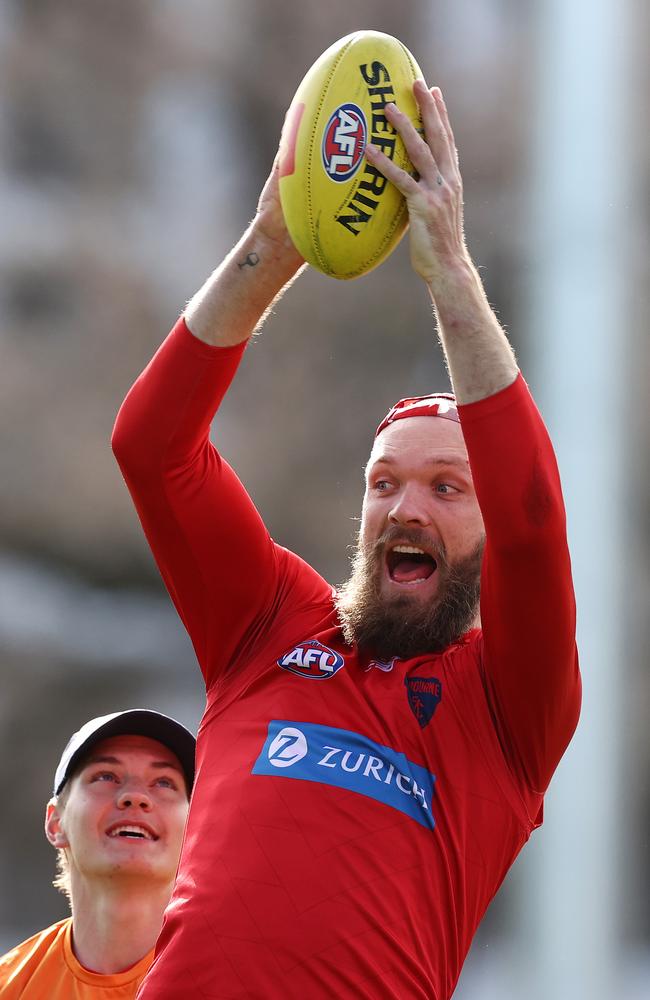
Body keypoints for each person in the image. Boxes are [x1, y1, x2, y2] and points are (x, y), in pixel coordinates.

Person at [112, 81, 581, 1000]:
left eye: (448, 488)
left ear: (485, 539)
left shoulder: (508, 710)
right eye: (384, 483)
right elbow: (152, 448)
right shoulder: (271, 628)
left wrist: (449, 272)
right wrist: (270, 248)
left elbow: (533, 520)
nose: (405, 506)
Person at [0, 710, 195, 999]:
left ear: (194, 829)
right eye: (107, 776)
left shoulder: (240, 977)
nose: (136, 796)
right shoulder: (10, 987)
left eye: (164, 782)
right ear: (56, 823)